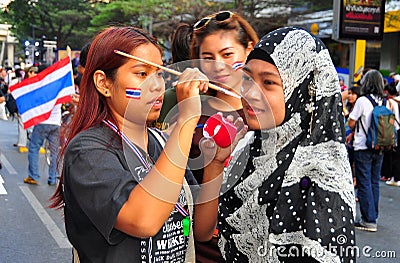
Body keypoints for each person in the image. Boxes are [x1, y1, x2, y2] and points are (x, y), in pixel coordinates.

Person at [50, 26, 245, 262]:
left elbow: (201, 231)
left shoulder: (163, 141)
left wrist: (215, 164)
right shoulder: (87, 150)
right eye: (142, 74)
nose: (157, 86)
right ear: (104, 83)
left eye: (160, 73)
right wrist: (186, 119)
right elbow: (144, 221)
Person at [200, 27, 356, 262]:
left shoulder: (321, 173)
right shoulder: (247, 146)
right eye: (247, 78)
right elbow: (203, 233)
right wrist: (215, 165)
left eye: (269, 83)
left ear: (303, 94)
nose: (252, 92)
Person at [348, 69, 387, 232]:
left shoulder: (362, 101)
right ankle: (373, 215)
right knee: (374, 182)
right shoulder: (384, 101)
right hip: (380, 146)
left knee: (364, 183)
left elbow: (351, 122)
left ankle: (368, 220)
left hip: (363, 146)